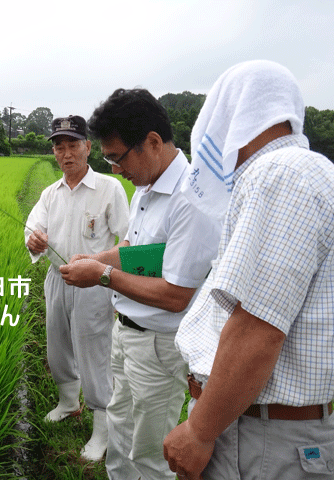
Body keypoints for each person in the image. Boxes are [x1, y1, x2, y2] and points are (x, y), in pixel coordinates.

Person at [163, 60, 334, 480]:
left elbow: (258, 326)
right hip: (255, 429)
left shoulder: (282, 174)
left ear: (232, 113)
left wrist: (200, 432)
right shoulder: (286, 174)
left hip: (261, 441)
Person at [59, 89, 221, 479]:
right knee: (120, 429)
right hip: (127, 332)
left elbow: (175, 295)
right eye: (108, 159)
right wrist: (98, 258)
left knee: (150, 451)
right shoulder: (149, 186)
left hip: (159, 345)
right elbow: (134, 249)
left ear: (151, 141)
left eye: (117, 157)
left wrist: (100, 275)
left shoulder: (190, 199)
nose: (115, 169)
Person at [25, 115, 130, 461]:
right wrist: (35, 241)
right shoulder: (50, 193)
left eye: (73, 145)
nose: (66, 153)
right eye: (59, 146)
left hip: (93, 282)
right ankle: (69, 403)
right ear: (54, 152)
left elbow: (129, 238)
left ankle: (103, 428)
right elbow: (33, 231)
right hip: (57, 277)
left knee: (95, 353)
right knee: (57, 349)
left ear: (88, 148)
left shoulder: (108, 189)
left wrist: (99, 264)